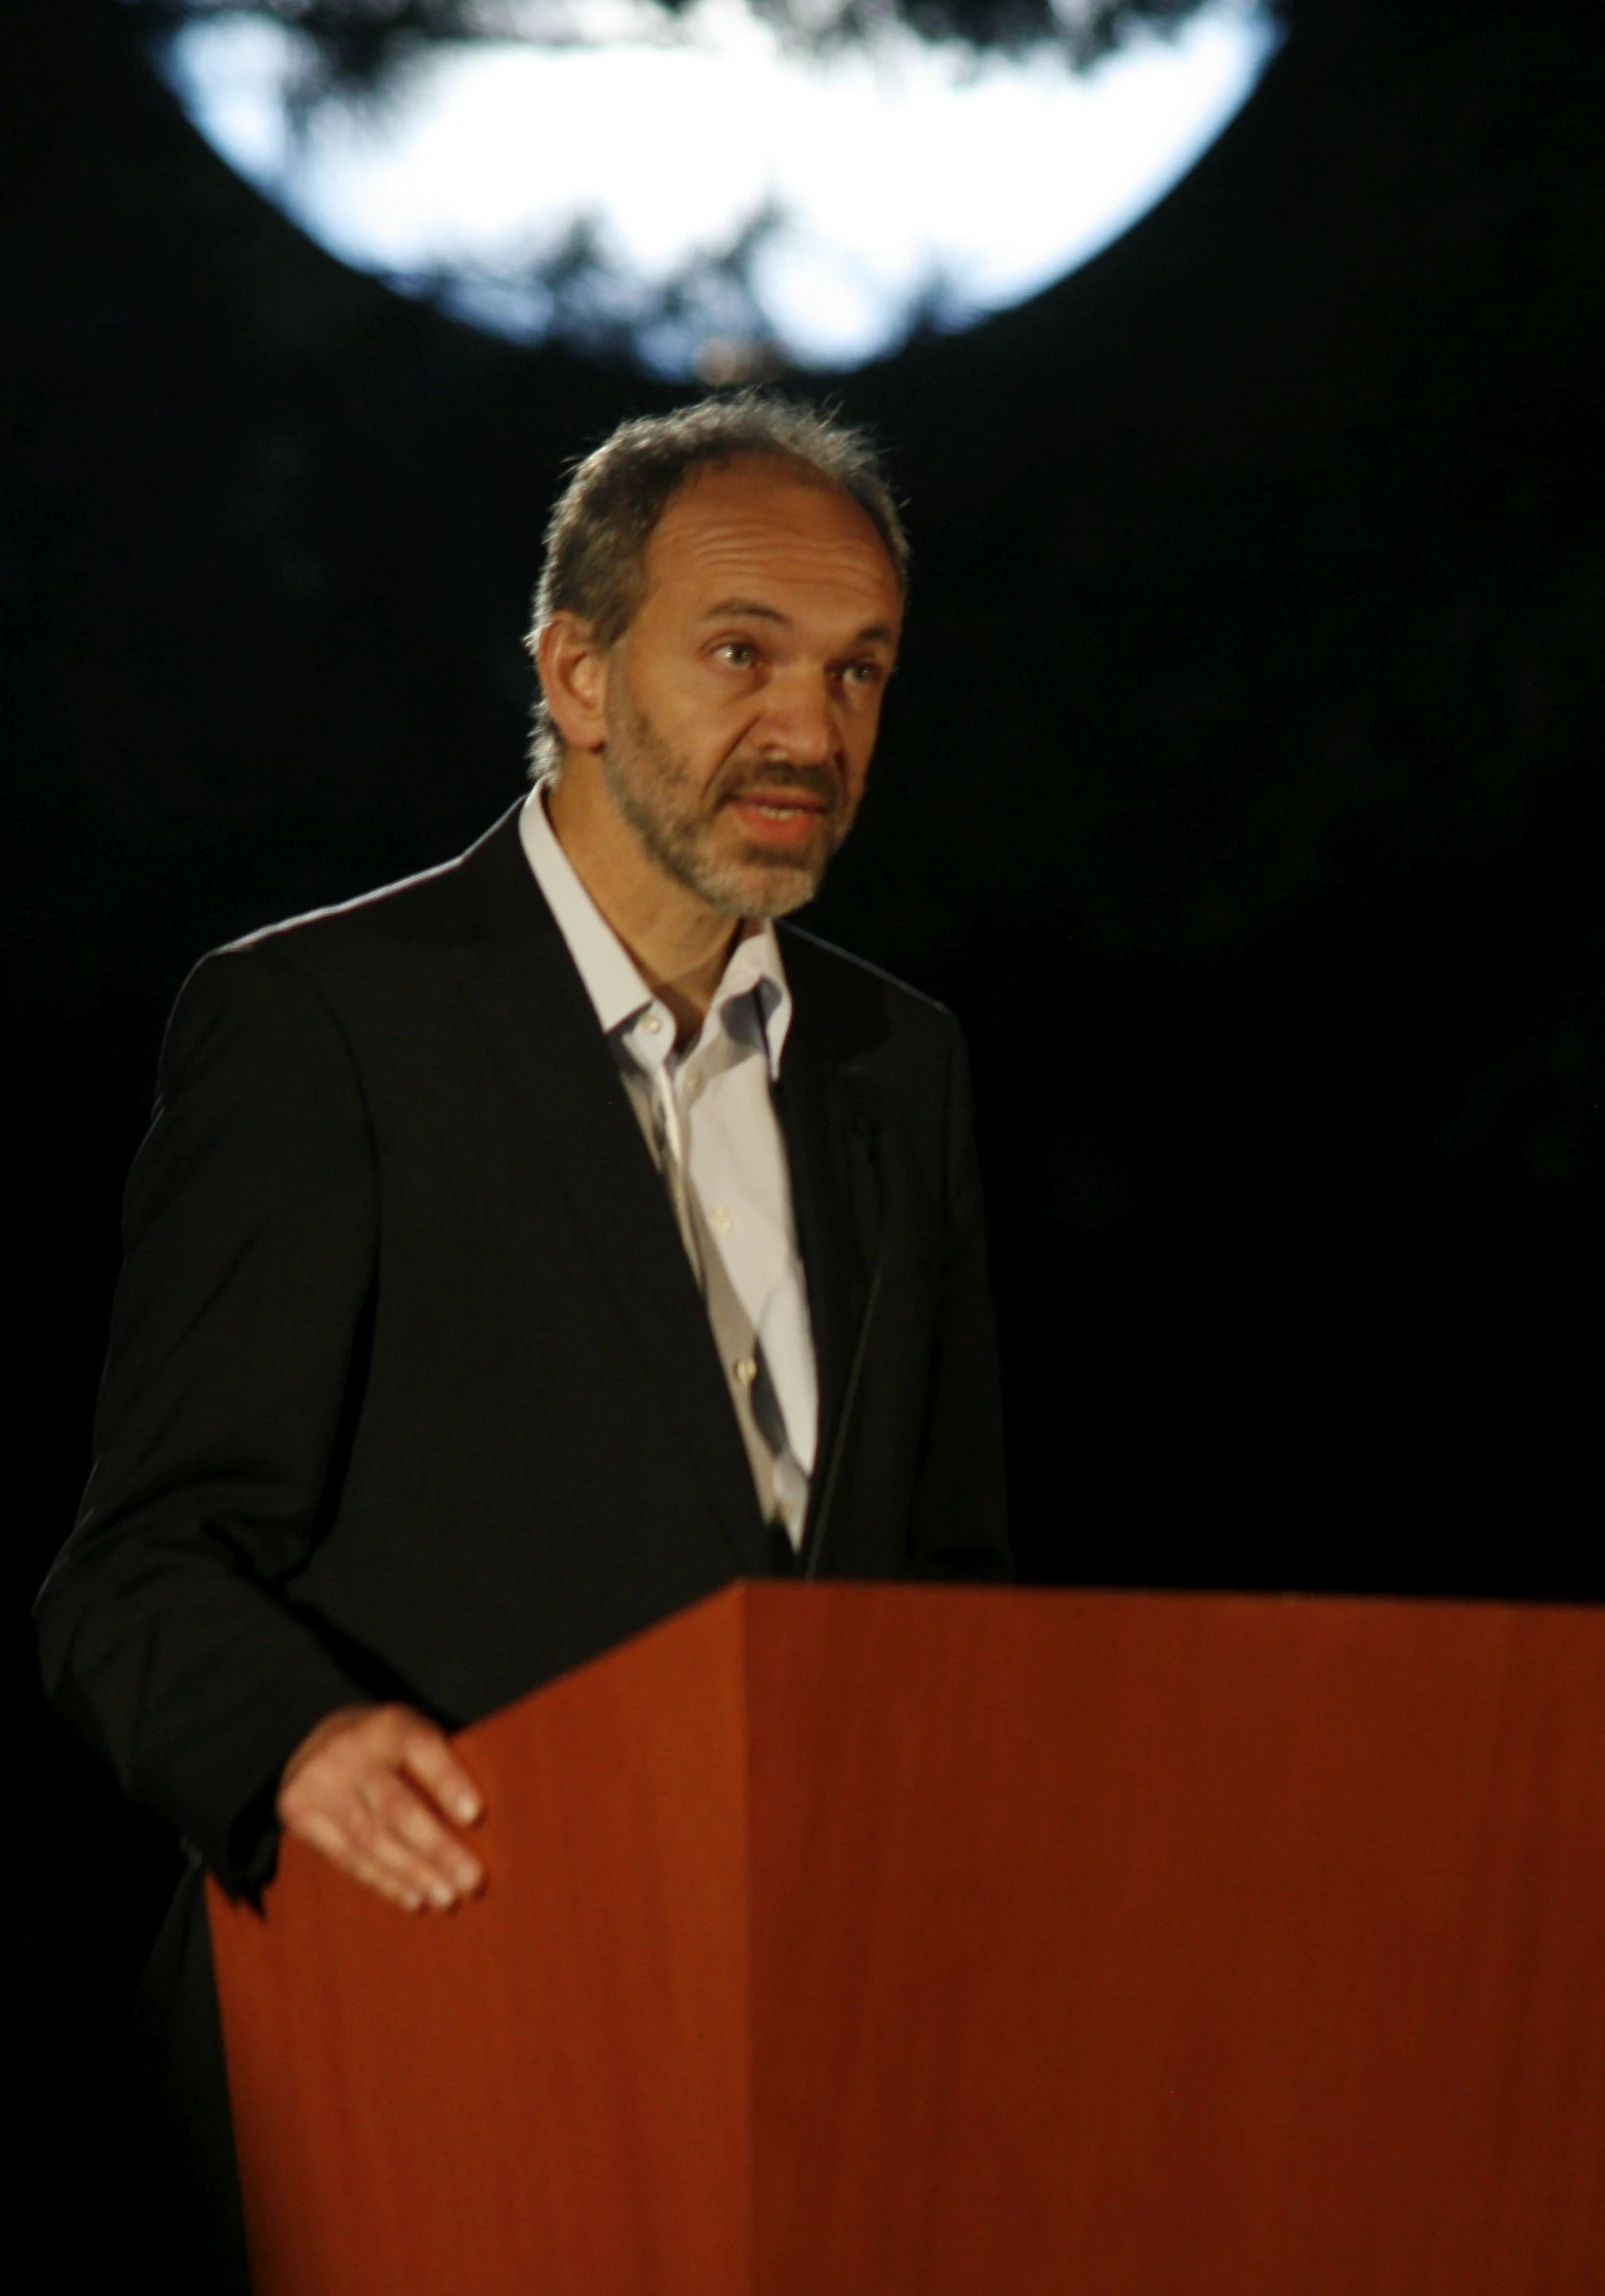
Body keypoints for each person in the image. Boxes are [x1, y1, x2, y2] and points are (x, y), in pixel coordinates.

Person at [35, 390, 1010, 2280]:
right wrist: (300, 1743)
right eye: (745, 654)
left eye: (861, 669)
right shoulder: (326, 1028)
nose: (812, 731)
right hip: (416, 2032)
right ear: (575, 670)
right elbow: (136, 1574)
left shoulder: (907, 1068)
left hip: (790, 2081)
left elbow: (945, 1596)